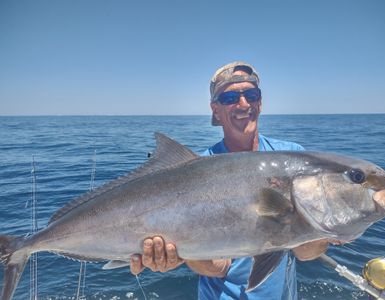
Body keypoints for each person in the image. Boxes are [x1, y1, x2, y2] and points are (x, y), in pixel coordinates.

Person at [130, 61, 331, 299]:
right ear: (215, 110)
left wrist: (324, 224)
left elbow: (306, 253)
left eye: (251, 94)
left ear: (260, 102)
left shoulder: (292, 159)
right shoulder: (197, 167)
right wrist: (176, 254)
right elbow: (219, 266)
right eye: (230, 98)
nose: (243, 103)